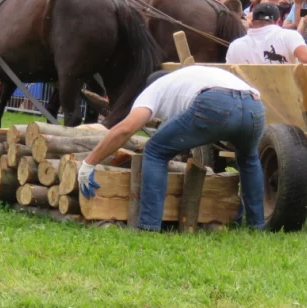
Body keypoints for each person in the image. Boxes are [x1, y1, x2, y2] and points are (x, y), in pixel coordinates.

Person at [78, 67, 266, 231]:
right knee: (249, 160)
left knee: (154, 151)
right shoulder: (187, 79)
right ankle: (256, 225)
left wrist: (89, 162)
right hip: (254, 106)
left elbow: (125, 129)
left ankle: (149, 225)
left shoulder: (153, 90)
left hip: (215, 102)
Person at [226, 3, 307, 65]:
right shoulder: (290, 36)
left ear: (252, 22)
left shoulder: (235, 45)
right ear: (278, 21)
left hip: (248, 92)